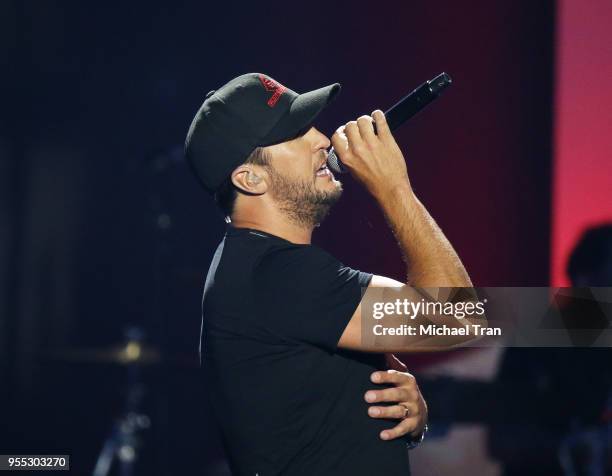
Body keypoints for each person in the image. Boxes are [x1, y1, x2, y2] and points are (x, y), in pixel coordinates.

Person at [185, 73, 474, 475]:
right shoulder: (275, 276)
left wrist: (406, 416)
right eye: (296, 131)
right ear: (249, 178)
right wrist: (394, 187)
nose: (322, 139)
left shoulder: (261, 268)